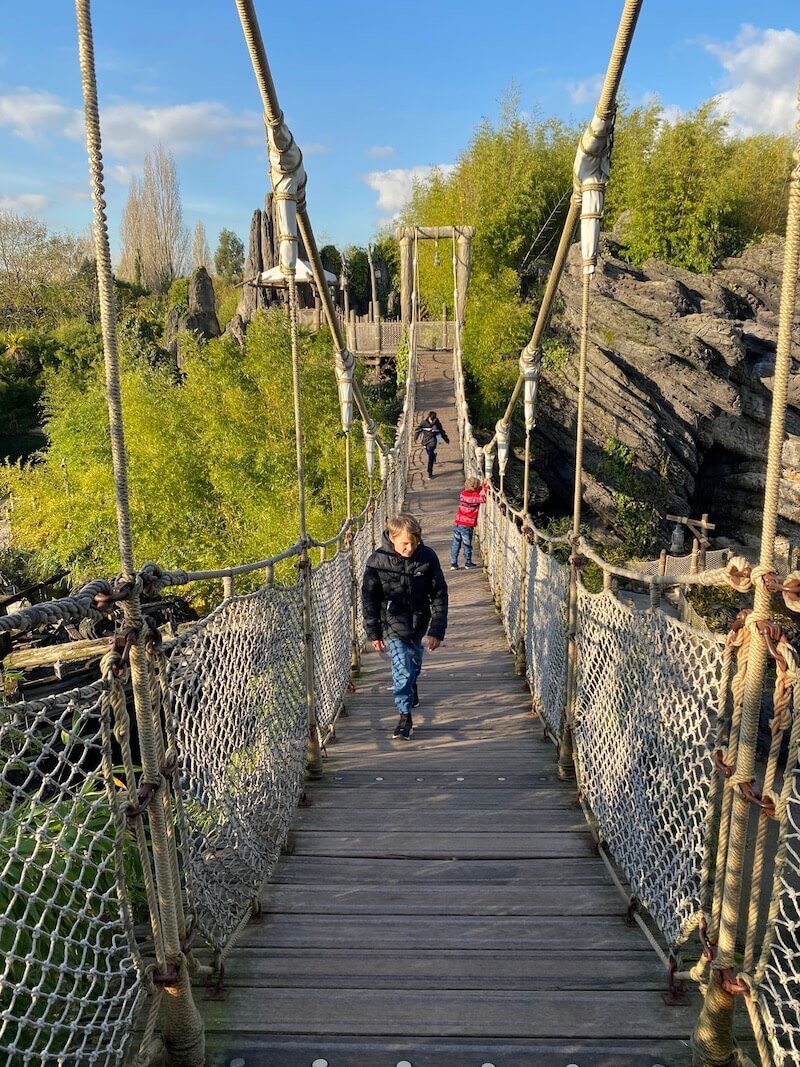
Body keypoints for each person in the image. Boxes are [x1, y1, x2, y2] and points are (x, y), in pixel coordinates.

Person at [361, 512, 448, 740]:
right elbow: (369, 599)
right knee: (402, 669)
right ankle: (404, 716)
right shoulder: (377, 561)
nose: (409, 548)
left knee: (414, 664)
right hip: (392, 621)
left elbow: (439, 594)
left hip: (420, 621)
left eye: (413, 543)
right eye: (404, 544)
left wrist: (436, 630)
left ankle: (411, 686)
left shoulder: (427, 557)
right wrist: (374, 633)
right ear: (391, 538)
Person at [450, 477, 488, 569]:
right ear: (475, 487)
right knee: (467, 544)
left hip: (458, 523)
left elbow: (476, 492)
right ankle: (468, 562)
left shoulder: (463, 494)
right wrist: (485, 487)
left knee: (456, 543)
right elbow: (483, 499)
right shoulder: (474, 497)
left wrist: (481, 486)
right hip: (467, 525)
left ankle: (453, 563)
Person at [414, 410, 450, 479]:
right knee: (430, 453)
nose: (432, 421)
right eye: (431, 419)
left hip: (433, 440)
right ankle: (434, 456)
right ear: (428, 417)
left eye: (433, 419)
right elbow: (418, 430)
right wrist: (415, 438)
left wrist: (446, 439)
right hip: (425, 441)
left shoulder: (437, 423)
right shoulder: (423, 423)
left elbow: (441, 431)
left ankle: (429, 472)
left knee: (430, 456)